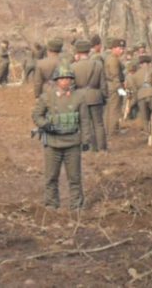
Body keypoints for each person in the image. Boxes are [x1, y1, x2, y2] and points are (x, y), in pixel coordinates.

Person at [31, 65, 91, 210]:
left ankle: (76, 206)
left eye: (68, 78)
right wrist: (46, 125)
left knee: (75, 177)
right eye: (62, 78)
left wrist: (86, 140)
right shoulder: (47, 97)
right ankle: (51, 204)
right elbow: (36, 115)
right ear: (56, 80)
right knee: (51, 176)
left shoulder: (79, 97)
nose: (65, 81)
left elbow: (84, 120)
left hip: (72, 143)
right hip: (53, 143)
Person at [71, 39, 107, 152]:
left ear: (77, 52)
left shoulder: (73, 67)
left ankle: (88, 147)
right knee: (99, 124)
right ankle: (102, 148)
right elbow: (103, 84)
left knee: (84, 123)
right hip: (96, 96)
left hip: (80, 97)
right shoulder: (98, 65)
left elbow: (71, 85)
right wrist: (104, 97)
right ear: (88, 50)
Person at [104, 38, 126, 135]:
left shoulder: (111, 58)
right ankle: (113, 131)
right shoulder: (113, 60)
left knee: (111, 108)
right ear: (113, 48)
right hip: (114, 86)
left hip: (111, 86)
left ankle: (112, 129)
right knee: (115, 109)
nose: (122, 50)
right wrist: (120, 90)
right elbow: (115, 76)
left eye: (123, 48)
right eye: (120, 48)